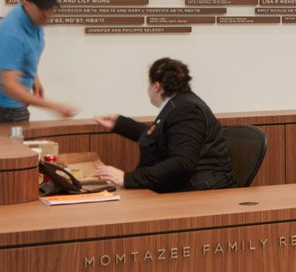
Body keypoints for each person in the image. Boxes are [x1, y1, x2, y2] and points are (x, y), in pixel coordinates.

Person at [90, 57, 235, 193]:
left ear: (157, 86)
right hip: (191, 186)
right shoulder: (180, 104)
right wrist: (120, 124)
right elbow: (159, 136)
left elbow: (182, 163)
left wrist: (127, 178)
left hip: (199, 192)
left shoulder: (186, 110)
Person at [0, 0, 78, 124]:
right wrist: (55, 107)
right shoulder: (11, 34)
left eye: (50, 8)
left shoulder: (34, 19)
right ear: (26, 4)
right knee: (18, 145)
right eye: (42, 8)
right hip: (3, 103)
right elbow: (8, 85)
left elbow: (25, 53)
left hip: (15, 99)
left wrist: (34, 78)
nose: (47, 14)